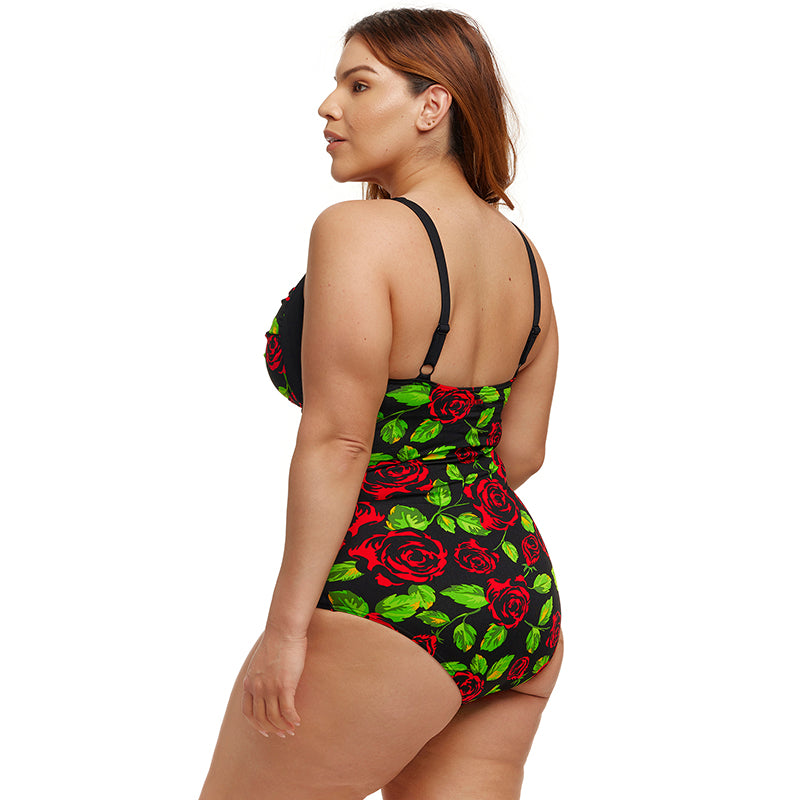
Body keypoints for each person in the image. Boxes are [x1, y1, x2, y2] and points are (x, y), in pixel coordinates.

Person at [198, 8, 563, 800]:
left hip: (390, 592)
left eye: (359, 85)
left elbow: (339, 442)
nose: (328, 106)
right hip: (515, 597)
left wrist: (286, 630)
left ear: (433, 106)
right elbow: (522, 452)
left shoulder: (357, 232)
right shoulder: (525, 257)